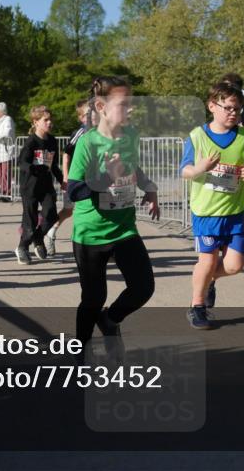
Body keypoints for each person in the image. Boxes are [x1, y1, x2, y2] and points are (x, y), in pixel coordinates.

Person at [66, 76, 159, 345]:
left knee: (143, 287)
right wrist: (107, 177)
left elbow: (131, 167)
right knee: (93, 299)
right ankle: (80, 350)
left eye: (132, 103)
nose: (131, 109)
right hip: (91, 233)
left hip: (124, 228)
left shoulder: (131, 135)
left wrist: (148, 186)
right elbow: (73, 191)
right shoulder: (88, 143)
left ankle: (110, 320)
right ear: (101, 106)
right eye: (123, 104)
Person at [180, 81, 244, 330]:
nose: (234, 113)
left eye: (238, 109)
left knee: (235, 266)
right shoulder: (197, 136)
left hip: (235, 211)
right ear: (212, 106)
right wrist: (200, 168)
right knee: (207, 260)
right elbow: (185, 171)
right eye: (229, 108)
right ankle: (197, 306)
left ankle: (208, 280)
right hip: (207, 211)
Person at [15, 105, 63, 263]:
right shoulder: (31, 142)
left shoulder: (52, 141)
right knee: (31, 220)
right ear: (35, 122)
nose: (50, 123)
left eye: (51, 120)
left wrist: (63, 180)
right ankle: (22, 247)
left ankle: (37, 238)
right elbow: (22, 163)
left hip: (46, 185)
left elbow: (54, 165)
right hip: (30, 186)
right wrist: (35, 168)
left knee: (51, 215)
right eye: (45, 120)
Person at [46, 99, 90, 256]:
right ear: (81, 118)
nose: (92, 116)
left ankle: (101, 245)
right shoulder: (81, 132)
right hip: (76, 178)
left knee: (93, 209)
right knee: (69, 210)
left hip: (93, 179)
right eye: (87, 114)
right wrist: (66, 177)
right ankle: (50, 231)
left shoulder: (101, 131)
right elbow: (66, 154)